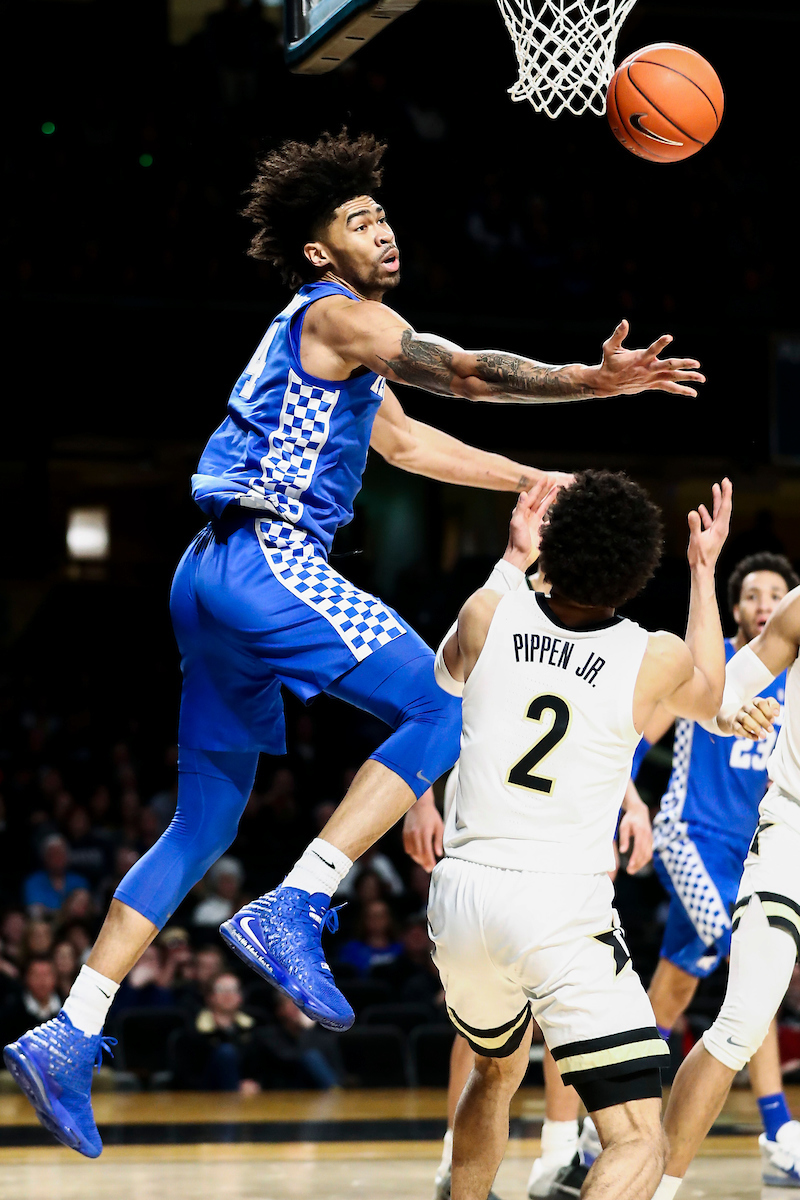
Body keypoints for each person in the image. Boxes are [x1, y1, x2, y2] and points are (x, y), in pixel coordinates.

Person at [3, 129, 703, 1159]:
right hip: (267, 561)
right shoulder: (343, 314)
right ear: (320, 251)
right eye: (359, 220)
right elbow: (459, 374)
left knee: (203, 822)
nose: (383, 230)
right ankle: (298, 899)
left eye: (385, 215)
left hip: (206, 577)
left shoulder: (334, 353)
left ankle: (73, 1026)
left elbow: (414, 441)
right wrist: (585, 384)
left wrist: (525, 481)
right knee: (443, 702)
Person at [426, 470, 732, 1200]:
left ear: (553, 550)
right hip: (558, 904)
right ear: (635, 573)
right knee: (637, 1139)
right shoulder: (650, 655)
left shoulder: (487, 613)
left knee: (495, 1070)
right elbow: (715, 697)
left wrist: (511, 560)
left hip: (462, 893)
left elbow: (443, 681)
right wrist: (702, 571)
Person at [650, 581, 800, 1199]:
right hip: (783, 830)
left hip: (738, 841)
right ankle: (653, 1184)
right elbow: (719, 692)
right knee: (740, 1017)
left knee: (675, 986)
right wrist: (734, 713)